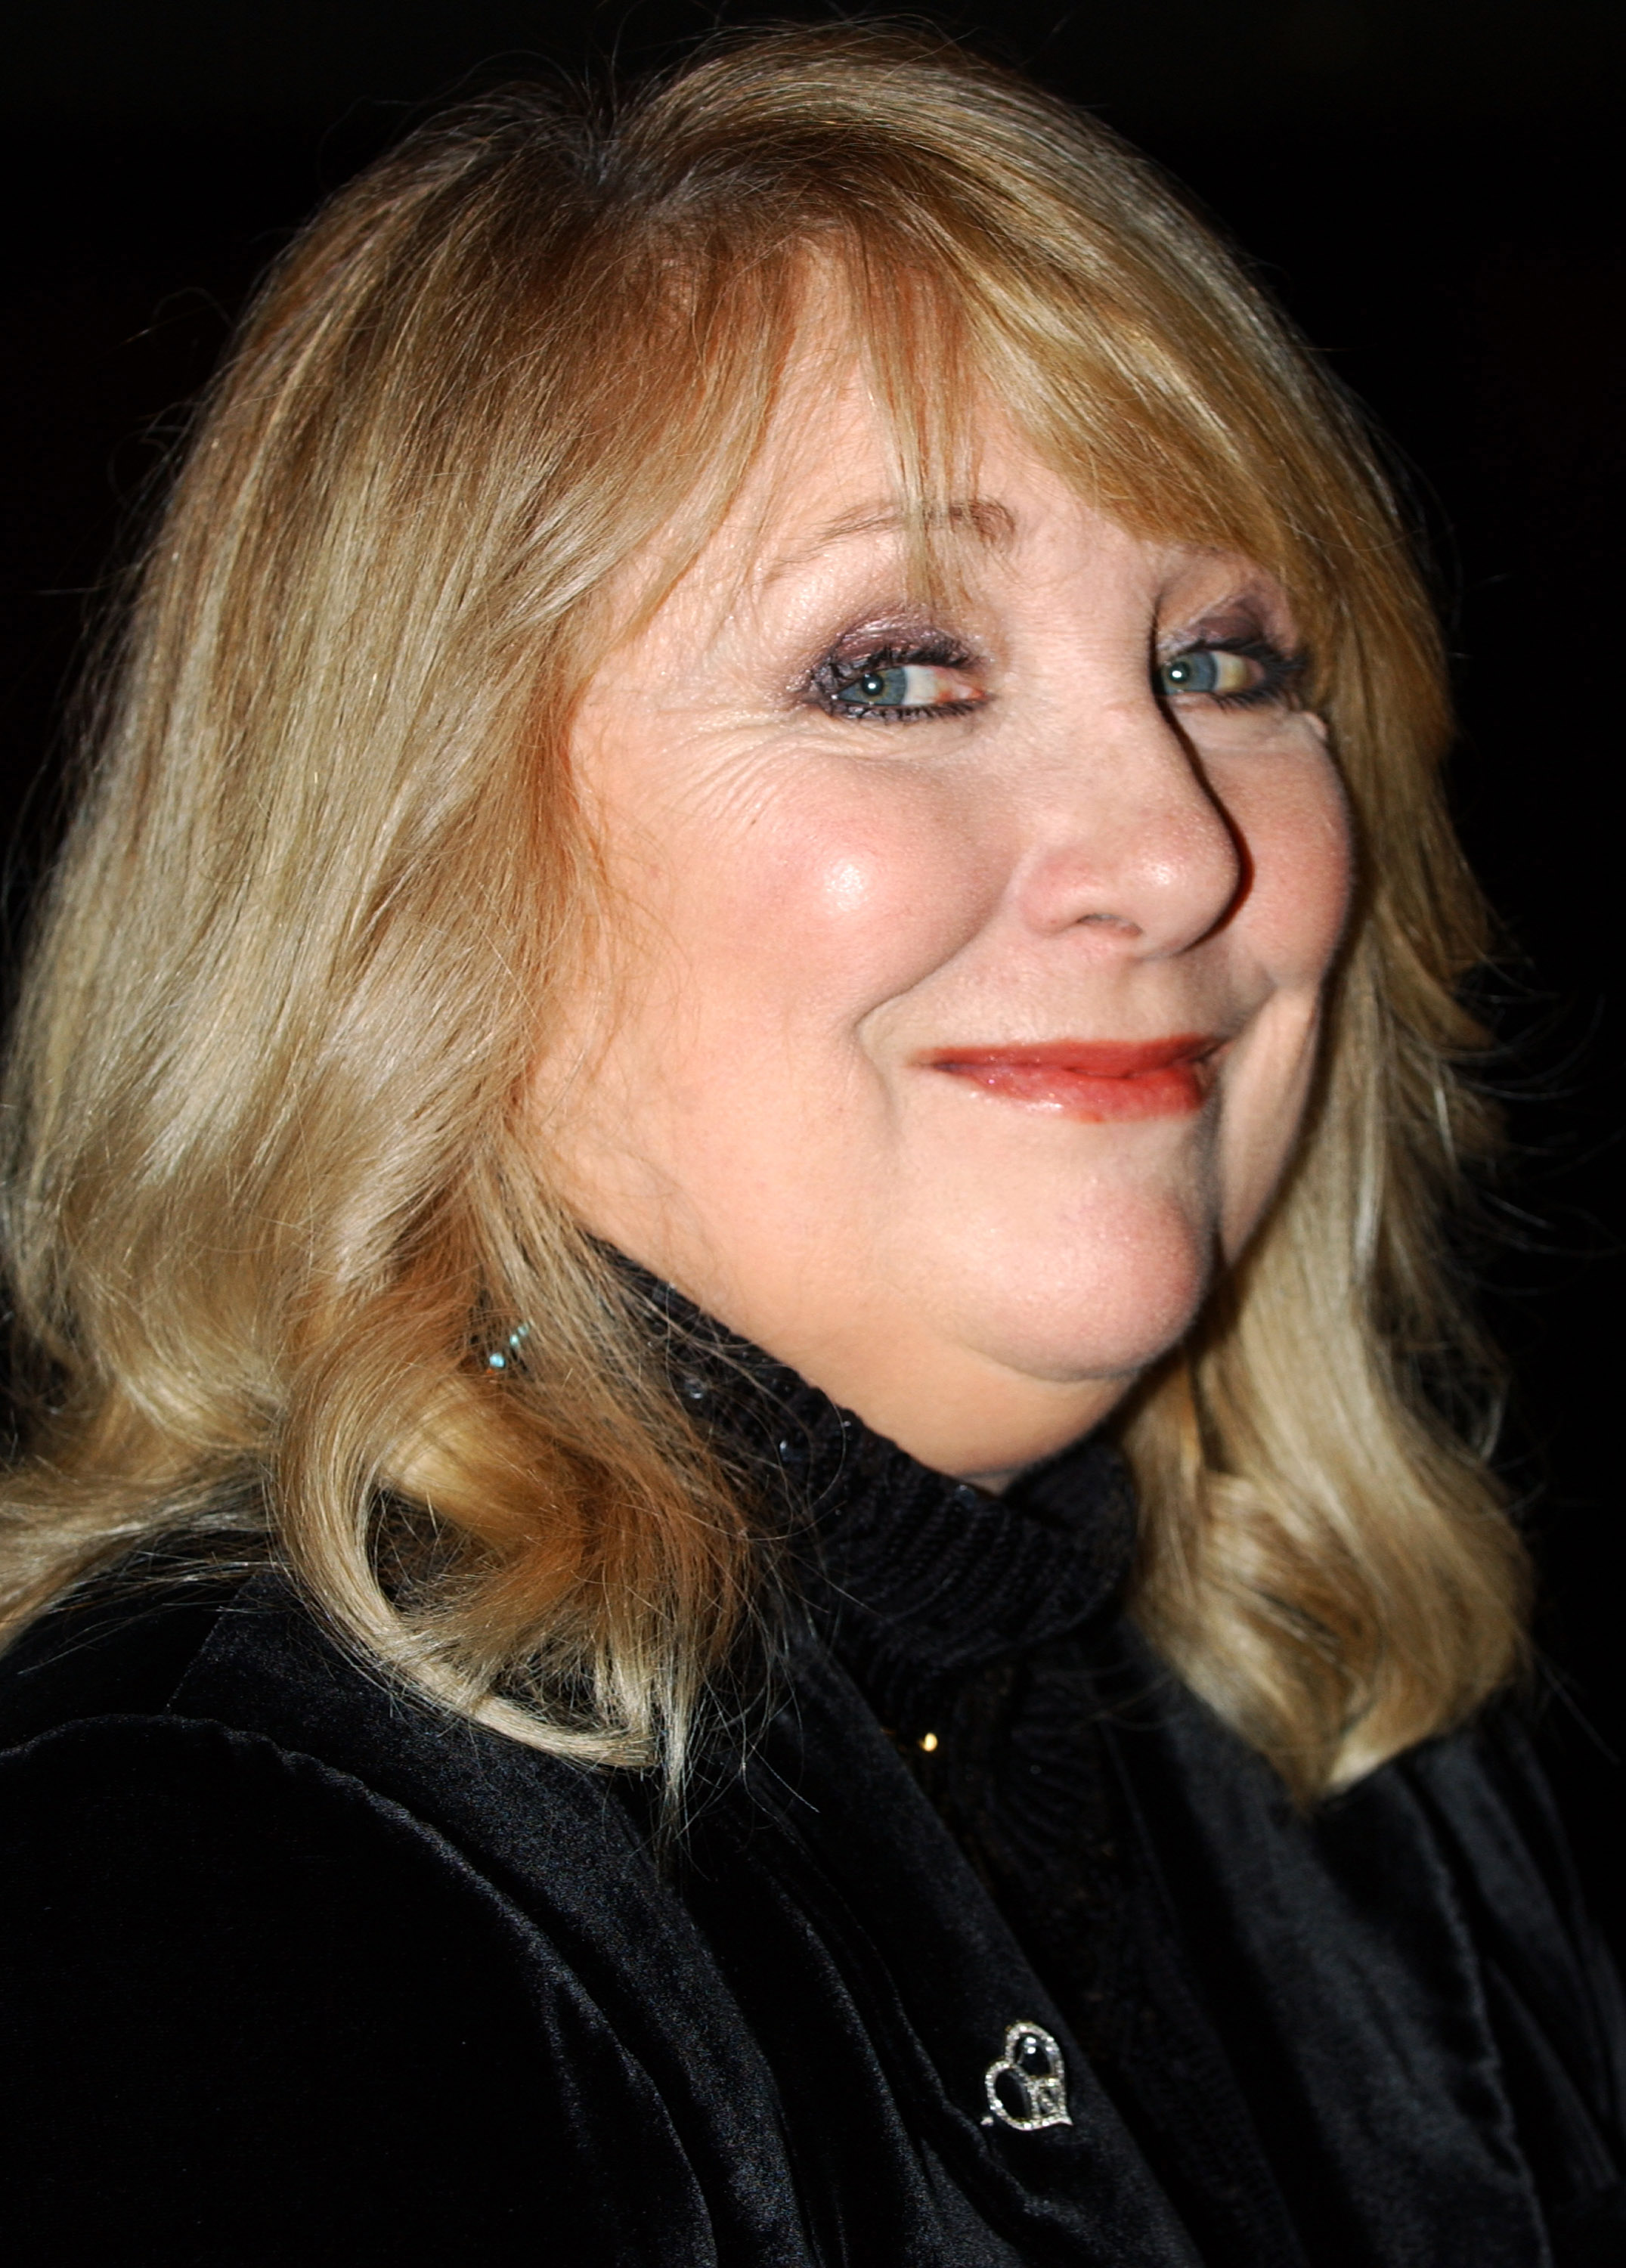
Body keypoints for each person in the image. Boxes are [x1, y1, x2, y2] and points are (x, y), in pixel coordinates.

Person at [1, 24, 1620, 2264]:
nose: (1172, 851)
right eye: (897, 669)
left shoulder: (1365, 1764)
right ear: (411, 859)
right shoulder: (214, 1897)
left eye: (1231, 661)